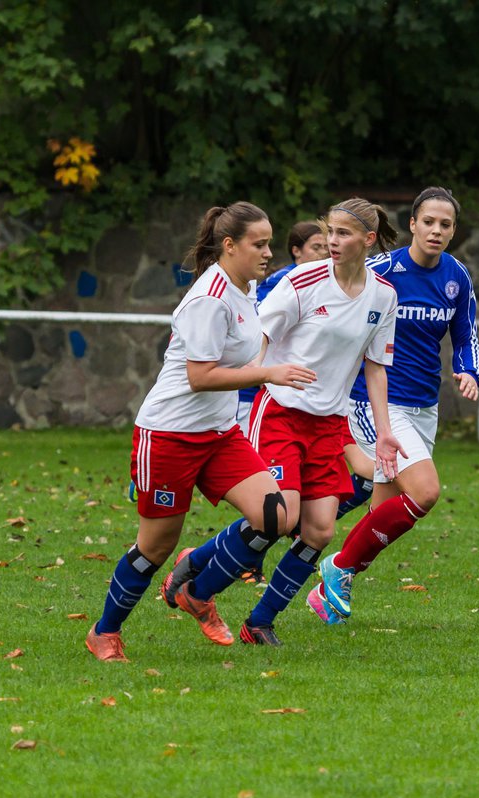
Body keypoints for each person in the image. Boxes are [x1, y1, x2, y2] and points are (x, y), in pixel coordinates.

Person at [162, 198, 405, 645]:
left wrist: (385, 432)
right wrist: (241, 388)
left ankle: (259, 623)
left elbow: (375, 366)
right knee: (281, 514)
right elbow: (259, 337)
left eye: (343, 234)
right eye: (328, 232)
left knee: (319, 530)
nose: (332, 241)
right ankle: (198, 586)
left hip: (329, 423)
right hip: (280, 415)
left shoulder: (383, 296)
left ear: (368, 241)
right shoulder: (302, 280)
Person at [85, 203, 315, 660]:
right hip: (169, 434)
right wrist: (268, 374)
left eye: (270, 242)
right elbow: (200, 376)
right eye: (260, 243)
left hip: (218, 433)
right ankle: (104, 632)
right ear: (229, 246)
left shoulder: (244, 289)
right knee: (155, 546)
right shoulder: (210, 298)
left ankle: (196, 590)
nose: (269, 252)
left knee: (275, 516)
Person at [311, 186, 479, 623]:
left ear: (453, 231)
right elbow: (335, 301)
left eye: (445, 224)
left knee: (382, 508)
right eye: (428, 222)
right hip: (378, 404)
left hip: (425, 406)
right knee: (425, 492)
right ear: (412, 224)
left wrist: (468, 370)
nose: (436, 230)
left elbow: (465, 335)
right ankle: (337, 566)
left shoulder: (456, 278)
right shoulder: (381, 270)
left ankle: (327, 587)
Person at [235, 221, 329, 435]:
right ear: (296, 250)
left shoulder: (324, 284)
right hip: (256, 390)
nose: (324, 253)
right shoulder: (282, 282)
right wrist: (261, 367)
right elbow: (259, 327)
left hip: (295, 389)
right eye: (316, 247)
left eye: (326, 247)